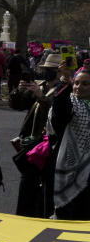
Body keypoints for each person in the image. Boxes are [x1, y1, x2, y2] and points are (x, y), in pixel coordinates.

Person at [9, 53, 67, 218]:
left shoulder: (63, 90)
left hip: (47, 146)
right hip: (32, 144)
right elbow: (17, 105)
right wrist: (19, 91)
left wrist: (41, 97)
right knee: (27, 186)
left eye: (50, 70)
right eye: (45, 69)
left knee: (41, 188)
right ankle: (24, 216)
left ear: (59, 71)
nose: (46, 72)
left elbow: (58, 113)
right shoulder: (41, 86)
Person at [47, 68, 90, 220]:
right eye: (76, 83)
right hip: (65, 166)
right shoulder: (70, 103)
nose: (79, 87)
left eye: (85, 84)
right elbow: (60, 111)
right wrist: (65, 78)